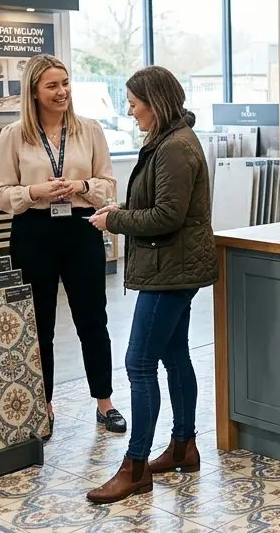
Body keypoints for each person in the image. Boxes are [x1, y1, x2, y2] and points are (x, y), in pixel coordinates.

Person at [85, 66, 217, 504]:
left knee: (139, 363)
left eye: (133, 102)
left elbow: (168, 217)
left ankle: (136, 466)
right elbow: (163, 204)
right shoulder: (169, 140)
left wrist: (115, 220)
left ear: (154, 102)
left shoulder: (175, 147)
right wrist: (123, 207)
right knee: (175, 355)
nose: (130, 110)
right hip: (172, 268)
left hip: (170, 272)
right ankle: (183, 447)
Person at [0, 54, 124, 436]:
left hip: (81, 230)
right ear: (33, 92)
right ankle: (43, 405)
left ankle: (105, 402)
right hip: (33, 232)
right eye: (52, 85)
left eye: (65, 83)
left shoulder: (90, 130)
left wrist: (81, 187)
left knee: (92, 320)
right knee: (39, 325)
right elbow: (1, 194)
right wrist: (36, 191)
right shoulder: (13, 135)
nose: (62, 91)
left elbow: (109, 186)